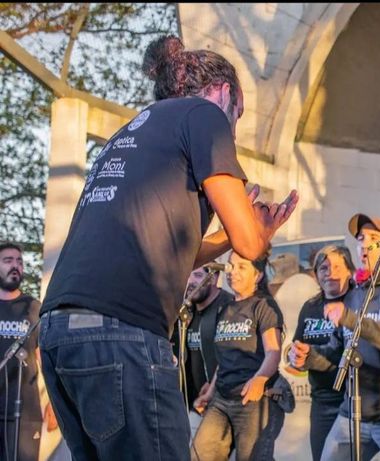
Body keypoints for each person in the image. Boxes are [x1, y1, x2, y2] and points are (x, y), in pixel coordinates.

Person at [38, 34, 298, 461]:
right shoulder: (204, 114)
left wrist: (231, 236)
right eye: (239, 115)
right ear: (223, 92)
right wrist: (255, 231)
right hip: (121, 335)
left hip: (60, 334)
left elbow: (174, 256)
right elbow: (250, 245)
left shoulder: (132, 134)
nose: (233, 127)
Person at [289, 214, 380, 461]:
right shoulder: (357, 295)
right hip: (354, 412)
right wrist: (308, 357)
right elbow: (337, 351)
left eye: (374, 238)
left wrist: (353, 321)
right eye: (360, 238)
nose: (365, 243)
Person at [192, 250, 285, 461]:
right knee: (200, 454)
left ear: (258, 275)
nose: (232, 272)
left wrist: (259, 379)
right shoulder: (225, 307)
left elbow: (273, 351)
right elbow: (224, 359)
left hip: (253, 401)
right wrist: (210, 391)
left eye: (241, 267)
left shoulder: (264, 306)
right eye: (231, 266)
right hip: (221, 399)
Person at [291, 245, 354, 461]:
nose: (330, 273)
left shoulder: (358, 303)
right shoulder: (310, 307)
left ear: (350, 270)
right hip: (321, 401)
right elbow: (298, 348)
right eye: (324, 268)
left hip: (352, 400)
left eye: (337, 266)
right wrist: (296, 357)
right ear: (316, 275)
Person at [0, 242, 57, 461]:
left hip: (25, 414)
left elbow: (47, 358)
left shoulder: (34, 309)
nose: (15, 266)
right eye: (8, 261)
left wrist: (54, 402)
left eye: (19, 262)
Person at [172, 266, 234, 445]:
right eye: (187, 276)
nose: (190, 282)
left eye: (198, 275)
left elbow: (233, 353)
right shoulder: (186, 313)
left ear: (214, 278)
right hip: (196, 405)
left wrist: (214, 386)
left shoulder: (228, 306)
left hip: (224, 403)